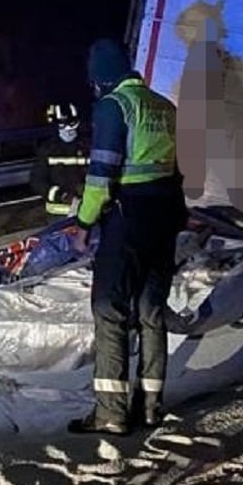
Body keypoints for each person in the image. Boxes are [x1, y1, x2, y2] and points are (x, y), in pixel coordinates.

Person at [63, 38, 187, 435]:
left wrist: (83, 224)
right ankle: (151, 404)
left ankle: (111, 413)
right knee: (151, 310)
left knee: (109, 308)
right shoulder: (164, 107)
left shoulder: (113, 107)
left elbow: (101, 177)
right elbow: (176, 170)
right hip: (164, 217)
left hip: (127, 217)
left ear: (100, 77)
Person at [28, 101, 90, 221]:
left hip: (87, 212)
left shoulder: (87, 147)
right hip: (57, 216)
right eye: (62, 124)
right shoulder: (48, 149)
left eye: (71, 123)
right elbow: (37, 181)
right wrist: (61, 195)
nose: (68, 128)